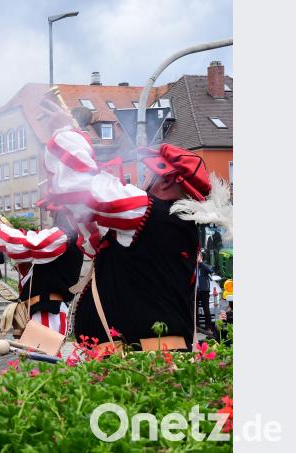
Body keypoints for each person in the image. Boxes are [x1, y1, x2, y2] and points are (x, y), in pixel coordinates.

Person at [39, 99, 212, 351]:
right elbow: (92, 207)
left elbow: (82, 185)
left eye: (150, 175)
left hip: (139, 359)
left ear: (165, 182)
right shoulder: (173, 222)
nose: (144, 180)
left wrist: (67, 132)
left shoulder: (149, 211)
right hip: (145, 354)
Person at [0, 209, 84, 340]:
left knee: (43, 356)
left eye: (54, 212)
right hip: (43, 307)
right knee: (37, 355)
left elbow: (30, 244)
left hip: (48, 309)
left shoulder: (65, 235)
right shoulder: (67, 237)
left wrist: (1, 228)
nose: (50, 214)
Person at [196, 251, 216, 336]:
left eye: (198, 256)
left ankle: (209, 327)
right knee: (194, 309)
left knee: (206, 308)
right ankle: (197, 326)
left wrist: (201, 262)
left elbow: (211, 271)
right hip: (196, 291)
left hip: (204, 290)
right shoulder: (193, 266)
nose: (196, 257)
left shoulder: (205, 266)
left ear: (201, 257)